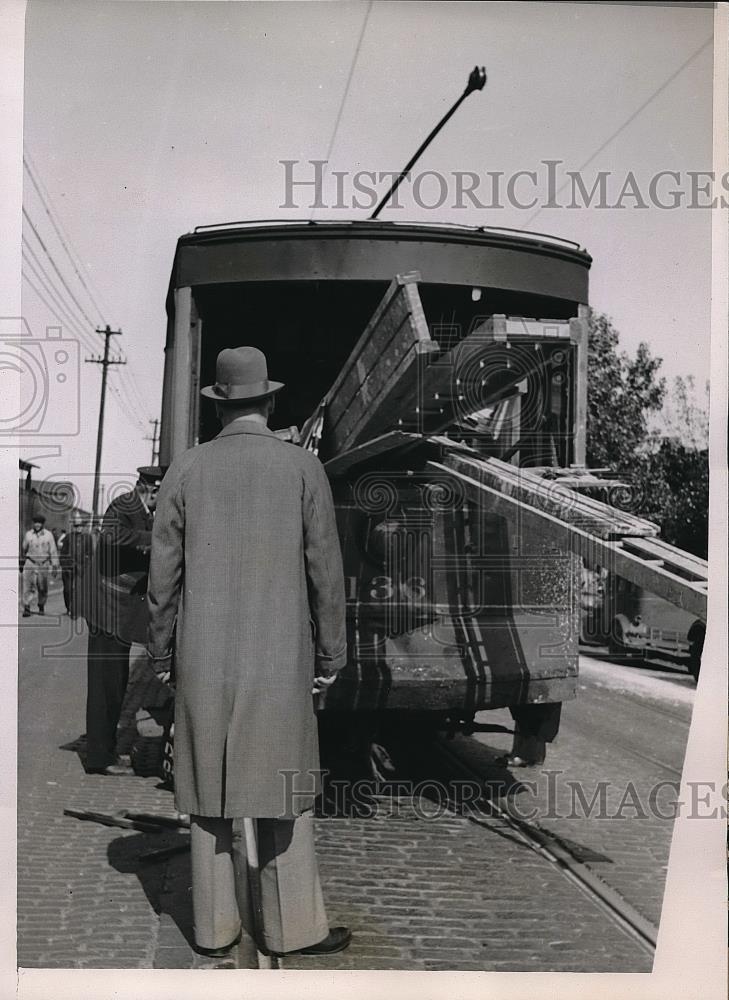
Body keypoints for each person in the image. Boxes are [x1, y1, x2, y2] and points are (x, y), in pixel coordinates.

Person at [147, 345, 350, 959]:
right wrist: (330, 658)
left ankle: (213, 929)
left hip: (202, 658)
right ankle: (292, 929)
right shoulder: (302, 470)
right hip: (279, 661)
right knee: (283, 789)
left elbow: (163, 579)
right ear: (268, 401)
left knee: (208, 791)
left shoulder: (185, 470)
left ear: (218, 407)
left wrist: (162, 655)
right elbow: (325, 574)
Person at [85, 466, 166, 776]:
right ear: (151, 489)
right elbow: (112, 535)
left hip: (119, 611)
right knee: (105, 684)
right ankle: (98, 758)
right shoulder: (125, 505)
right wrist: (153, 536)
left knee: (117, 682)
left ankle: (104, 752)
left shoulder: (146, 512)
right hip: (106, 608)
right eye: (160, 493)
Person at [21, 514, 60, 617]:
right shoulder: (29, 534)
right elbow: (24, 548)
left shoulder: (48, 535)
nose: (37, 525)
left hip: (43, 563)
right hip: (30, 562)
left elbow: (53, 551)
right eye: (36, 523)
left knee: (42, 587)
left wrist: (55, 565)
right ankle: (27, 607)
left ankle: (41, 605)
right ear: (33, 524)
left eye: (39, 523)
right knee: (28, 586)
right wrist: (21, 562)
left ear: (42, 524)